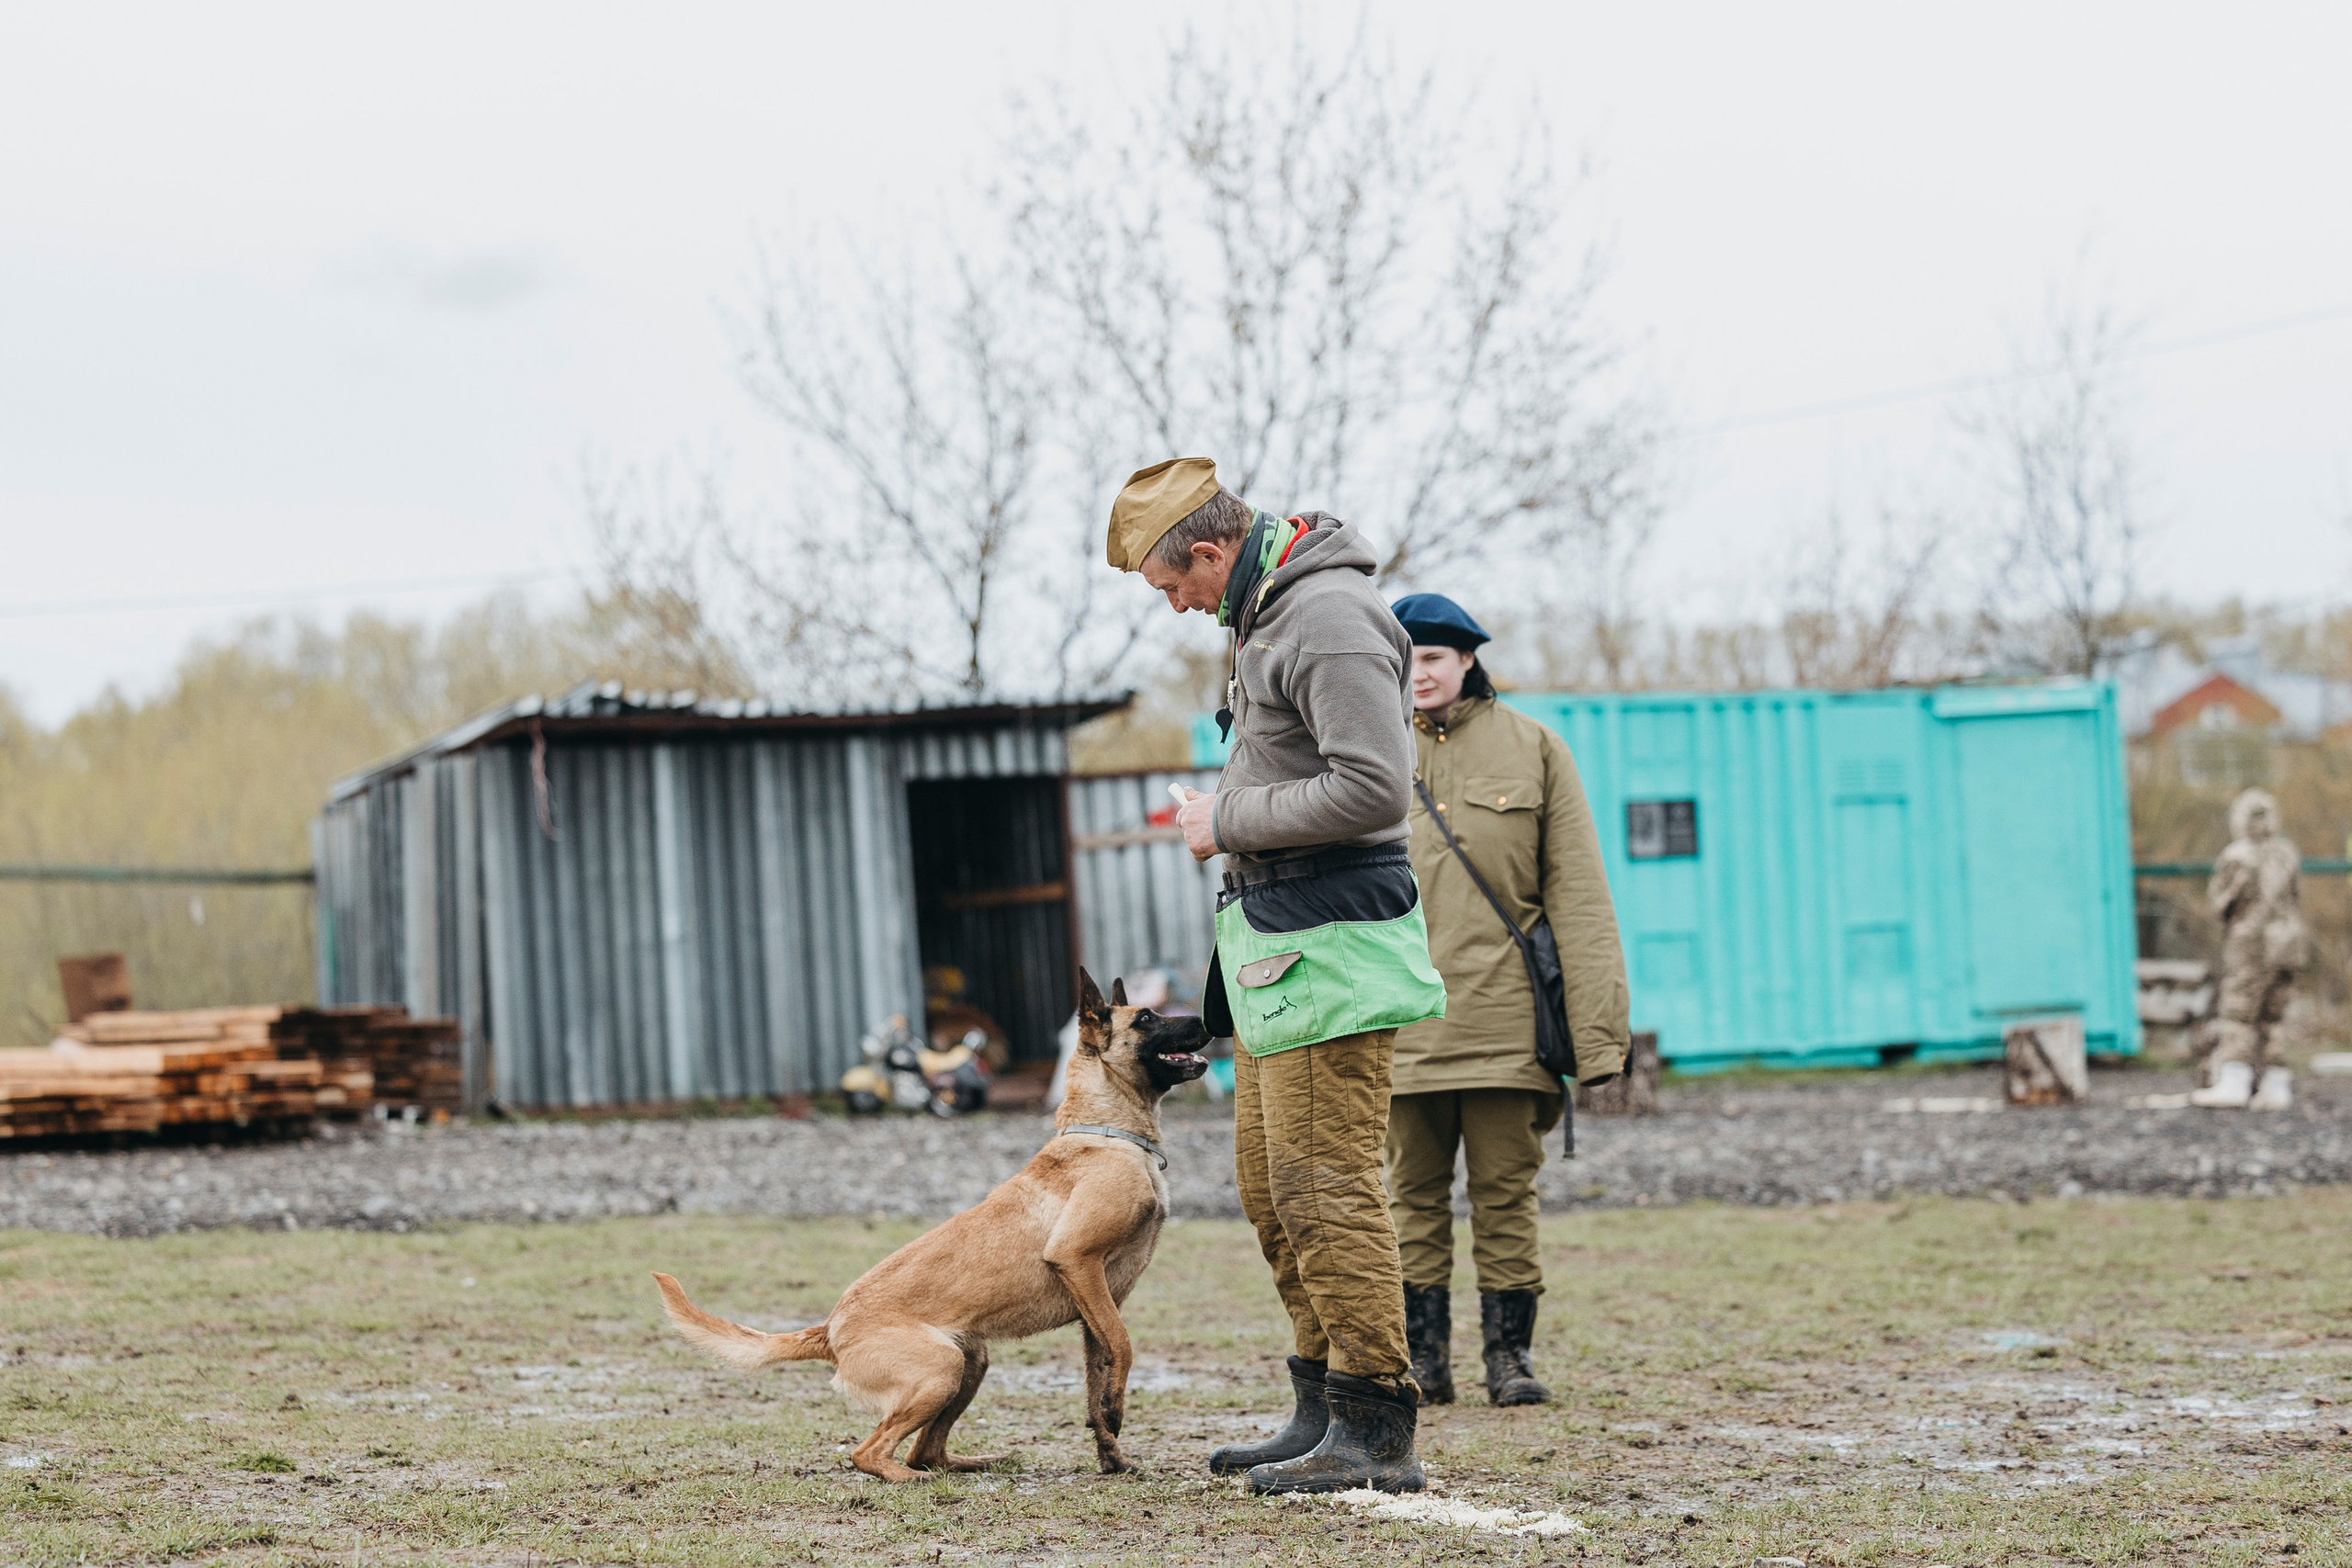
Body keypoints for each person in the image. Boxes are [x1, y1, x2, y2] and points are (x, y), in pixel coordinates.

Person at [1104, 457, 1447, 1495]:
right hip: (1274, 945)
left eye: (1175, 583)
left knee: (1323, 1182)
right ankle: (1321, 1405)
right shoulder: (1268, 616)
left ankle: (1376, 1422)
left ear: (1213, 550)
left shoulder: (1327, 617)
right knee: (1272, 1186)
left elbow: (1377, 788)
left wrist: (1228, 819)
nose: (1177, 603)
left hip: (1331, 944)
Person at [1384, 593, 1630, 1407]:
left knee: (1505, 1195)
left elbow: (1580, 897)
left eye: (1434, 657)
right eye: (1407, 657)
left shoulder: (1535, 747)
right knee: (1410, 1197)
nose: (1420, 672)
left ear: (1467, 659)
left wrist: (1599, 1036)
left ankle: (1509, 1359)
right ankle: (1423, 1360)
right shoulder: (1365, 745)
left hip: (1507, 1025)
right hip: (1400, 1023)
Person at [2193, 787, 2303, 1111]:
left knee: (2239, 1010)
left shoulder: (2237, 855)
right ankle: (2276, 1085)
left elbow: (2220, 903)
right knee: (2275, 1014)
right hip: (2288, 942)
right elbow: (2297, 897)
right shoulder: (2287, 853)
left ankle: (2234, 1080)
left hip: (2251, 943)